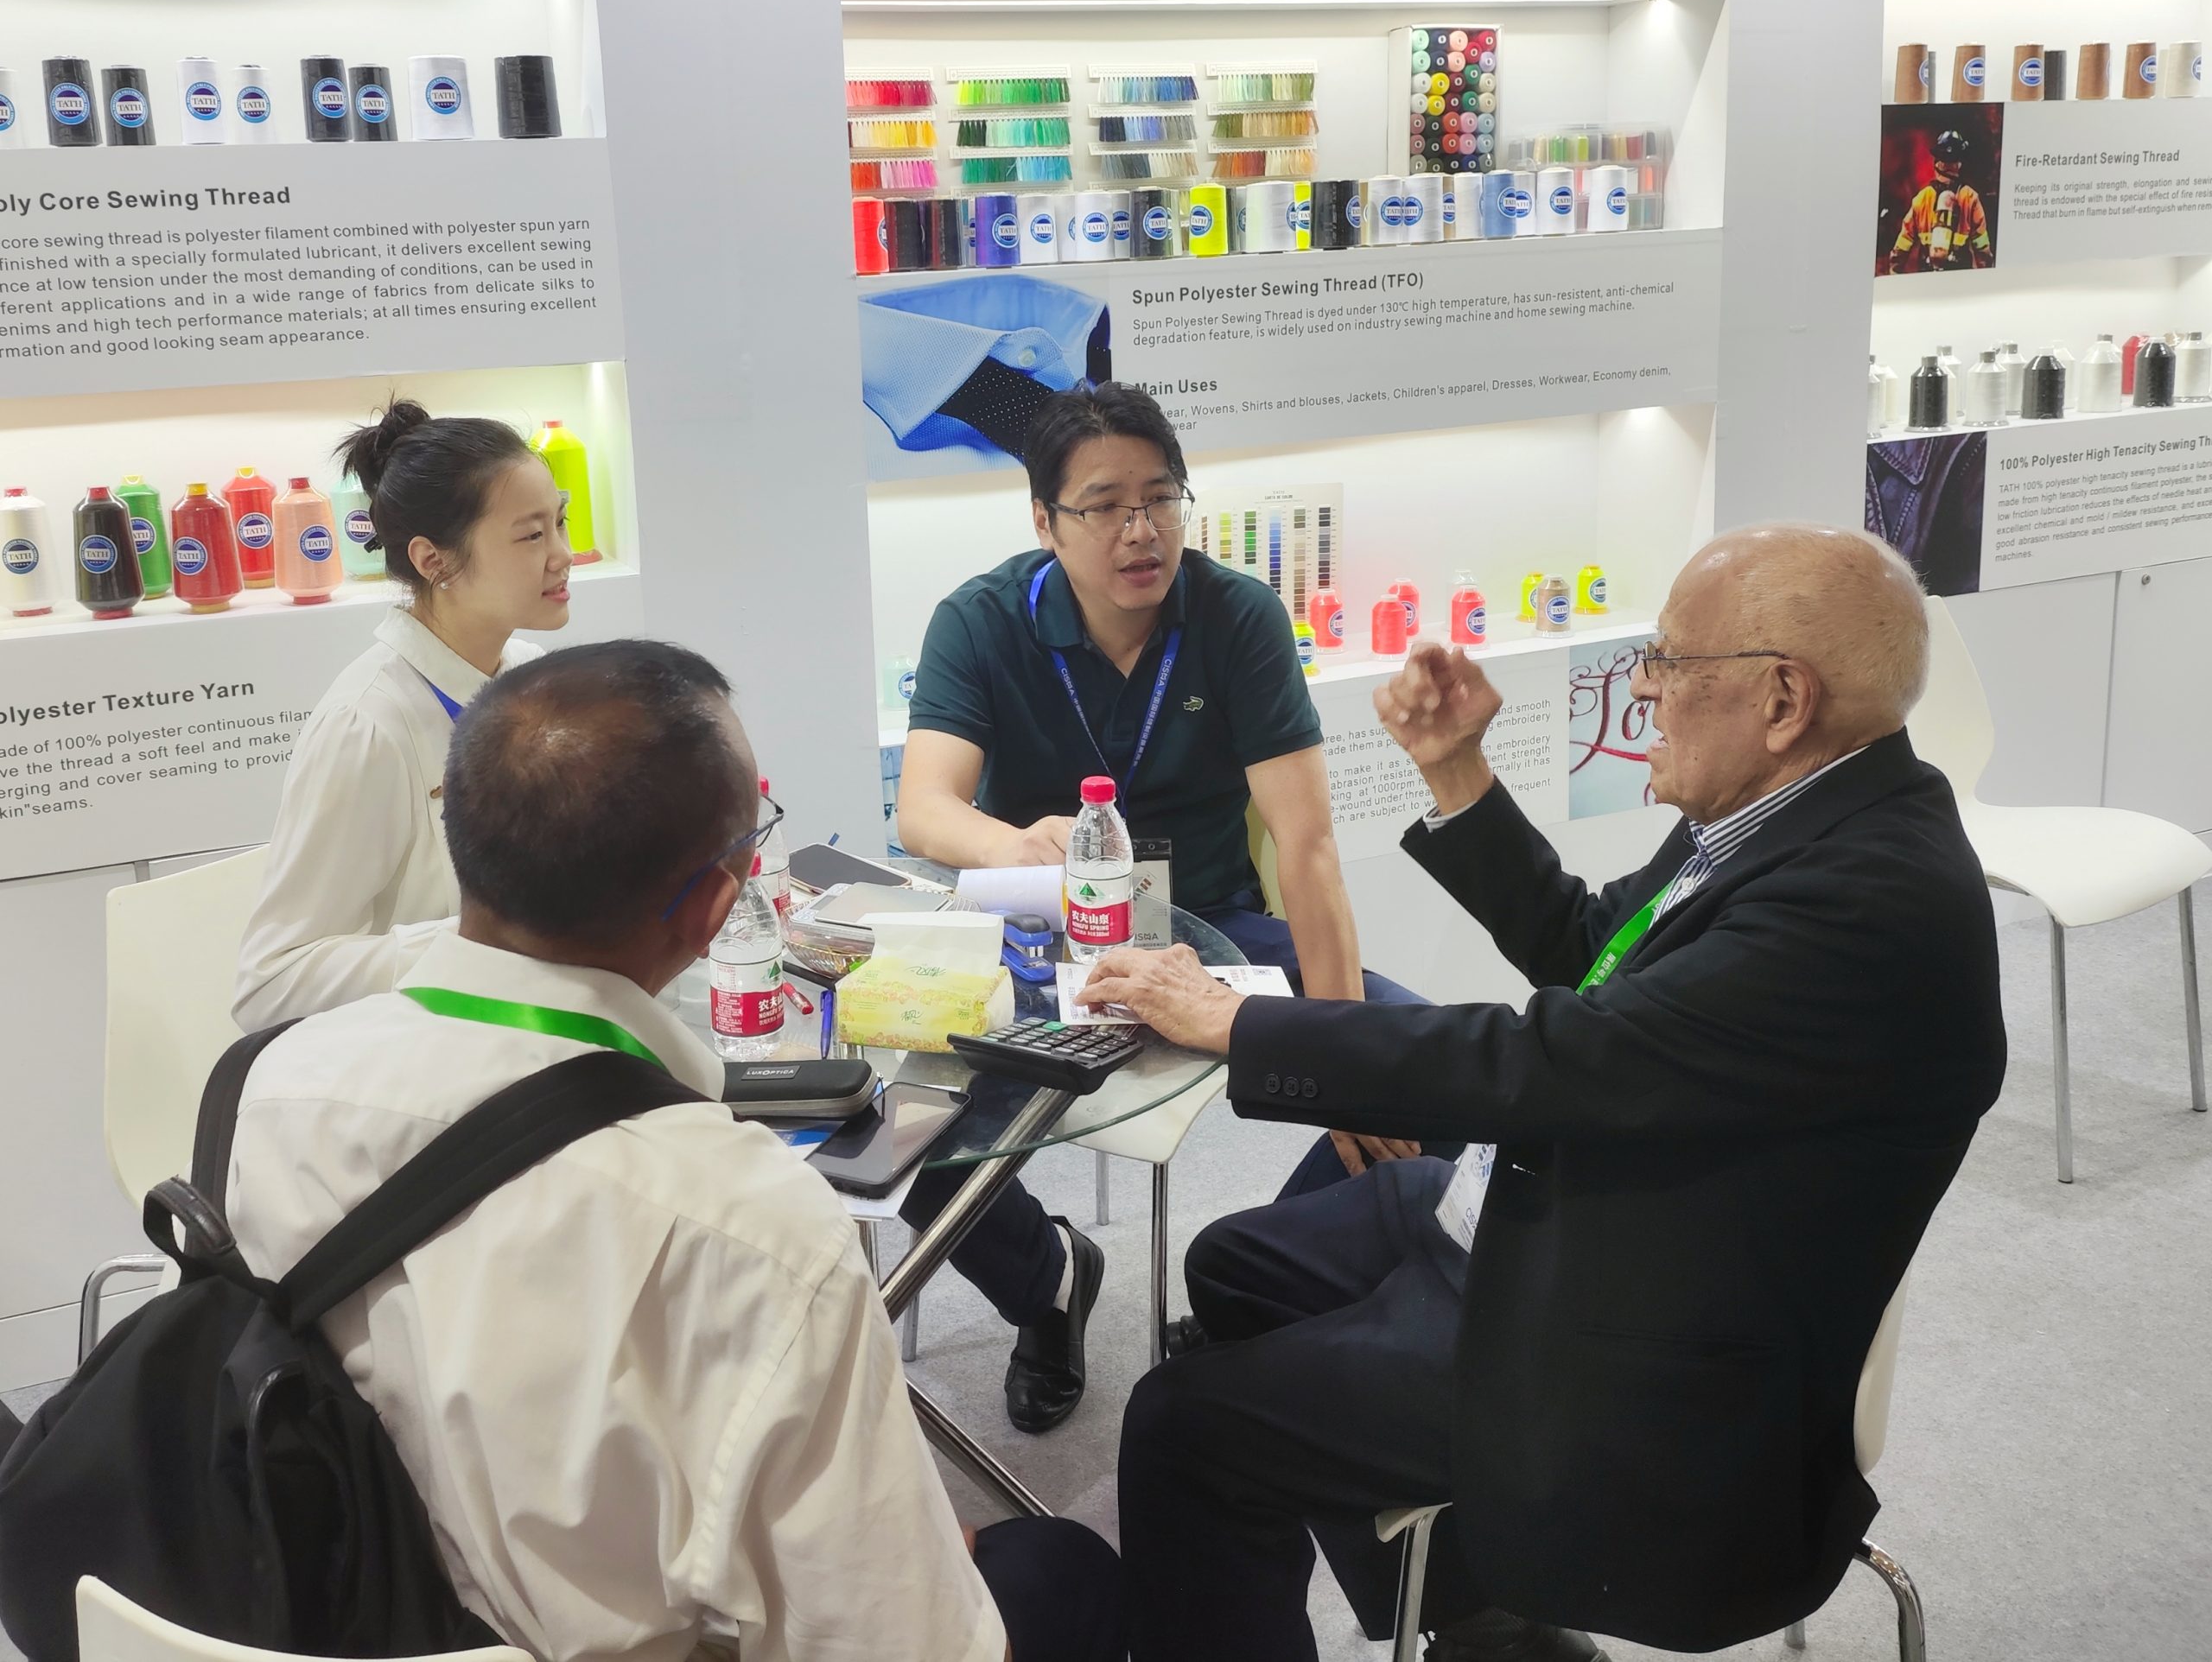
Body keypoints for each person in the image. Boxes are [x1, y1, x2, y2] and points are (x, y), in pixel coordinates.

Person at [1089, 525, 2008, 1662]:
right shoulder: (1795, 807)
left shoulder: (1863, 905)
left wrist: (1237, 1022)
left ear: (1782, 698)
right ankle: (1483, 1615)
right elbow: (1594, 950)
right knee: (1235, 1267)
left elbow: (1556, 1058)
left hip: (1631, 1340)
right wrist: (1456, 774)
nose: (1644, 687)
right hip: (1575, 1213)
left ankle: (1483, 1604)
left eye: (1668, 660)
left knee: (1182, 1426)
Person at [224, 638, 1124, 1662]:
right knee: (1065, 1571)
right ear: (713, 912)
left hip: (336, 1612)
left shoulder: (271, 1086)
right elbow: (892, 1637)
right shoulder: (752, 1226)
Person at [894, 383, 1436, 1431]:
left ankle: (1246, 1293)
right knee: (892, 1116)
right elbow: (926, 807)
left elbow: (1307, 845)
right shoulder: (981, 618)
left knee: (1423, 1074)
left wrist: (1343, 1055)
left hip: (1216, 929)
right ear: (1045, 520)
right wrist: (1015, 845)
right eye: (1104, 505)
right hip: (1040, 933)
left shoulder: (1236, 615)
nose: (1139, 531)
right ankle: (1046, 1282)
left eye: (1159, 499)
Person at [235, 400, 573, 1029]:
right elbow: (270, 984)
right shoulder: (367, 725)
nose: (562, 554)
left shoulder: (533, 678)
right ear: (432, 560)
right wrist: (480, 941)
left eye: (560, 523)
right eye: (532, 536)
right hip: (426, 1054)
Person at [1887, 126, 1993, 272]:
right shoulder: (1970, 198)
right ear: (1959, 164)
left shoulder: (1922, 198)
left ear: (1938, 163)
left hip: (1927, 274)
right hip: (1959, 276)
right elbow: (1982, 247)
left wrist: (1894, 273)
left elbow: (1903, 244)